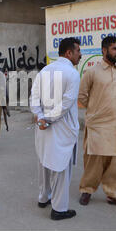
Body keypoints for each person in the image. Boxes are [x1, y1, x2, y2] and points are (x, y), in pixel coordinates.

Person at [78, 36, 116, 209]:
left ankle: (114, 194)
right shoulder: (92, 72)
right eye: (114, 49)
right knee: (94, 159)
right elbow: (82, 96)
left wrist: (114, 108)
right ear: (104, 50)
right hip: (98, 123)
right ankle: (87, 190)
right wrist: (96, 110)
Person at [30, 37, 81, 220]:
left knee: (44, 161)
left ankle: (44, 198)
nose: (80, 55)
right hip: (60, 127)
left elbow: (34, 96)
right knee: (61, 167)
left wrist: (41, 117)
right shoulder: (73, 74)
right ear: (69, 53)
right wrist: (48, 120)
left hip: (44, 127)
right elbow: (66, 103)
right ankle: (59, 209)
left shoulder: (44, 70)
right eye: (78, 51)